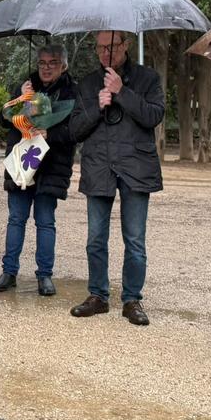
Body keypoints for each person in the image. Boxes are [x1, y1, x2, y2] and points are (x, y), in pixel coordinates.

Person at [68, 30, 164, 325]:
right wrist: (98, 106)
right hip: (99, 165)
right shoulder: (86, 83)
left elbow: (153, 116)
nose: (105, 53)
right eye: (100, 48)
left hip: (136, 165)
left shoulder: (148, 79)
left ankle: (132, 299)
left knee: (134, 238)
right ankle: (98, 295)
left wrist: (123, 92)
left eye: (111, 46)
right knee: (95, 238)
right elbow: (75, 130)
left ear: (126, 45)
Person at [0, 44, 77, 297]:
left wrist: (51, 133)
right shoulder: (24, 86)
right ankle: (9, 271)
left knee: (45, 222)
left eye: (52, 62)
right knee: (16, 219)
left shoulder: (72, 92)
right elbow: (1, 118)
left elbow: (77, 129)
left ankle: (45, 275)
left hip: (52, 166)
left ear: (63, 65)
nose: (46, 67)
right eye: (42, 63)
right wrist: (20, 97)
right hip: (22, 162)